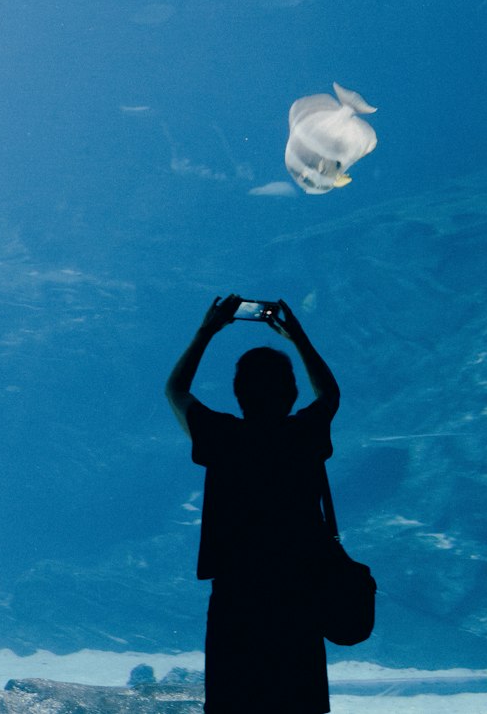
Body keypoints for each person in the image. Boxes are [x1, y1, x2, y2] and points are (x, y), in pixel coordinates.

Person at [165, 294, 340, 714]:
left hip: (236, 599)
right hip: (298, 594)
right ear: (292, 392)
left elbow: (176, 390)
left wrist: (208, 329)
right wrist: (297, 336)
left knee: (234, 701)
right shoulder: (303, 436)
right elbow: (330, 394)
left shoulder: (223, 438)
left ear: (238, 392)